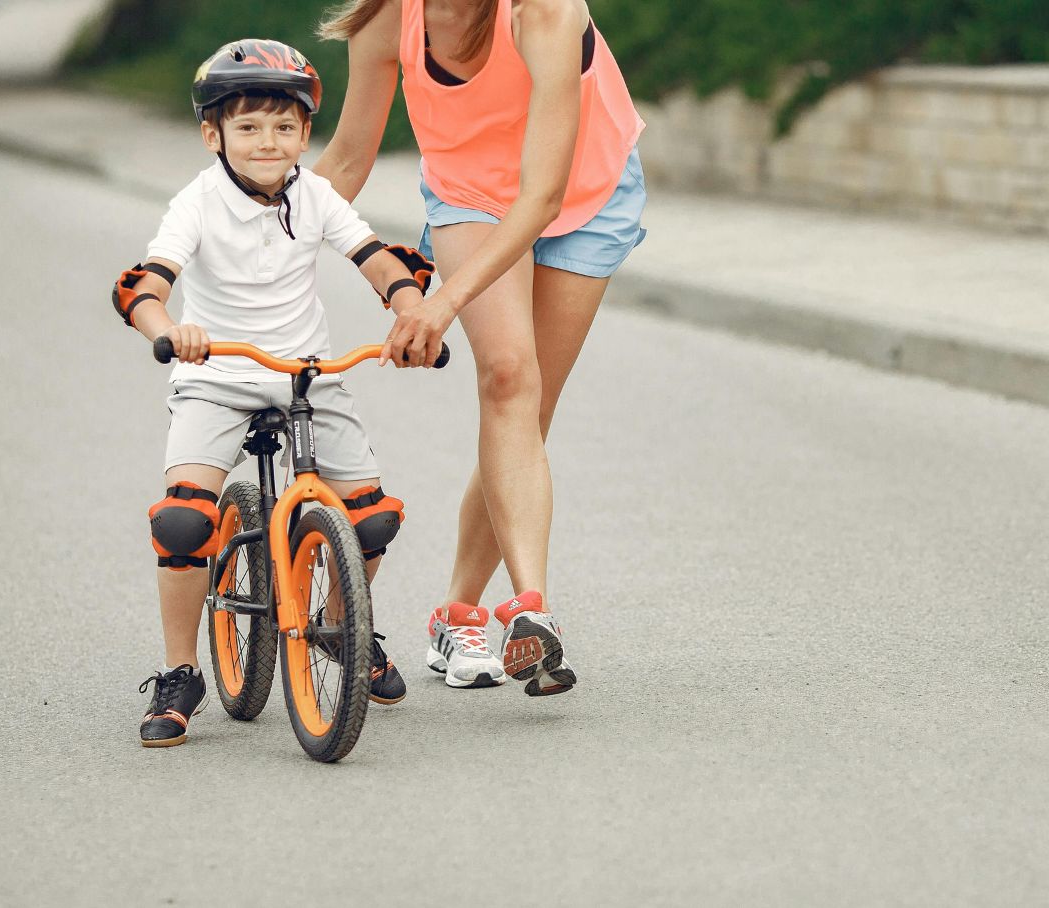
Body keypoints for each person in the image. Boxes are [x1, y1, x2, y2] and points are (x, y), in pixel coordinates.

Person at [313, 0, 647, 697]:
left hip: (580, 194)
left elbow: (543, 196)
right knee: (507, 378)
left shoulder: (546, 13)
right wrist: (246, 247)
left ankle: (457, 610)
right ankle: (533, 608)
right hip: (469, 193)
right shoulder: (389, 22)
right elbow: (347, 157)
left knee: (532, 409)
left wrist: (442, 299)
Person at [112, 38, 437, 747]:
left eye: (285, 128)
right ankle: (179, 671)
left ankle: (336, 619)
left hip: (307, 373)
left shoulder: (315, 195)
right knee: (183, 523)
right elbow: (146, 283)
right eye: (249, 127)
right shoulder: (196, 203)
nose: (269, 142)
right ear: (213, 134)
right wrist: (169, 329)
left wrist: (411, 310)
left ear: (304, 134)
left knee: (372, 516)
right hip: (217, 375)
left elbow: (377, 259)